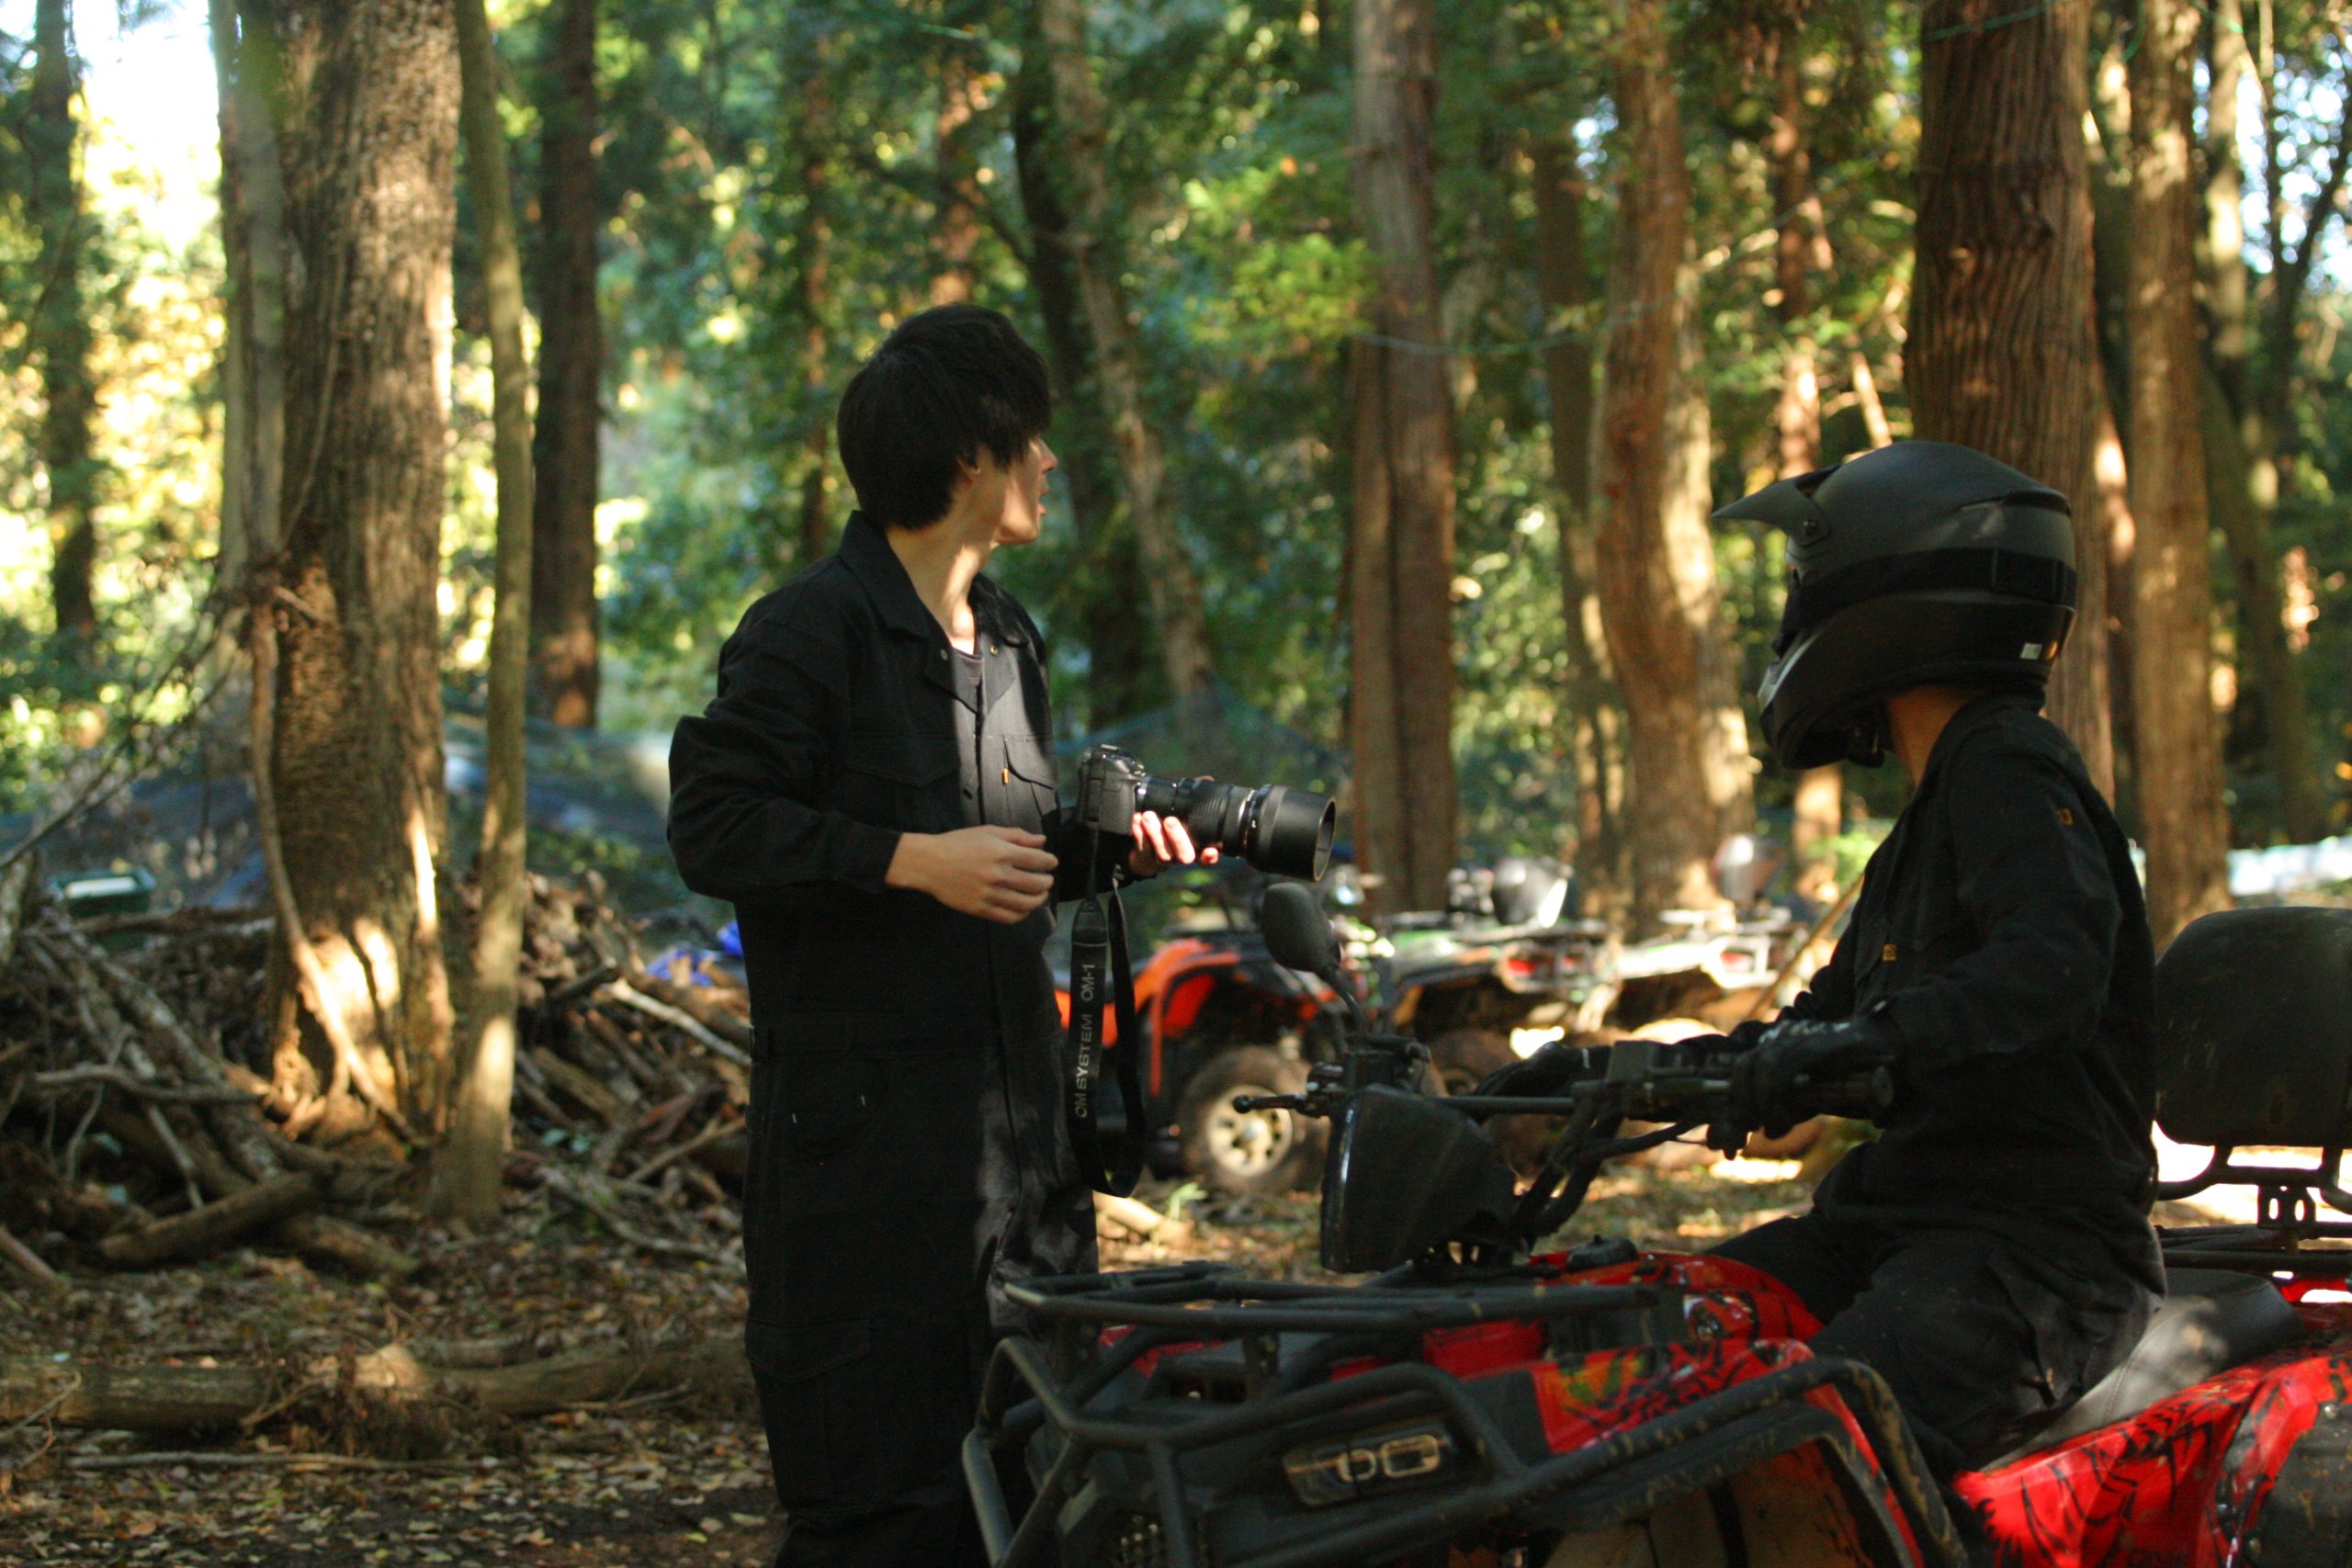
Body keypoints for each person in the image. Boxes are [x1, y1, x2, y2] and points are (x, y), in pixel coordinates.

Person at [667, 303, 1210, 1567]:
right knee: (889, 1516)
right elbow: (712, 824)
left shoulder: (1009, 639)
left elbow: (1004, 863)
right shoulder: (809, 631)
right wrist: (910, 858)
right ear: (970, 454)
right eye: (1032, 438)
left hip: (1021, 1166)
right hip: (866, 1186)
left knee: (1040, 1490)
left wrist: (1115, 850)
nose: (1048, 461)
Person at [1702, 441, 2163, 1494]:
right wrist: (1604, 1078)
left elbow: (2052, 970)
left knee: (1789, 1460)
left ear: (1884, 598)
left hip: (2030, 1256)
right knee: (1641, 1334)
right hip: (1890, 1226)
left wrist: (1871, 1044)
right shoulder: (1927, 823)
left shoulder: (2006, 764)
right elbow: (1808, 1033)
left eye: (1805, 584)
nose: (1792, 617)